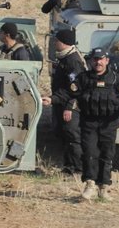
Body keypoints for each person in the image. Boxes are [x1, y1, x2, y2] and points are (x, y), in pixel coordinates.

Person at [65, 48, 119, 201]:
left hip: (109, 124)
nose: (98, 62)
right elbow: (69, 94)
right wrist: (54, 100)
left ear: (107, 61)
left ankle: (104, 188)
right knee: (90, 153)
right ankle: (90, 185)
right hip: (89, 123)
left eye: (101, 59)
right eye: (95, 59)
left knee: (107, 155)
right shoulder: (83, 78)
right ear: (91, 61)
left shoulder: (115, 79)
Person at [41, 29, 87, 174]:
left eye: (57, 40)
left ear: (64, 42)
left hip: (71, 106)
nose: (55, 43)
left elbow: (75, 89)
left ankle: (78, 168)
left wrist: (68, 107)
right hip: (63, 103)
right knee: (64, 135)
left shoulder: (73, 61)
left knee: (73, 135)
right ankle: (69, 166)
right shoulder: (65, 58)